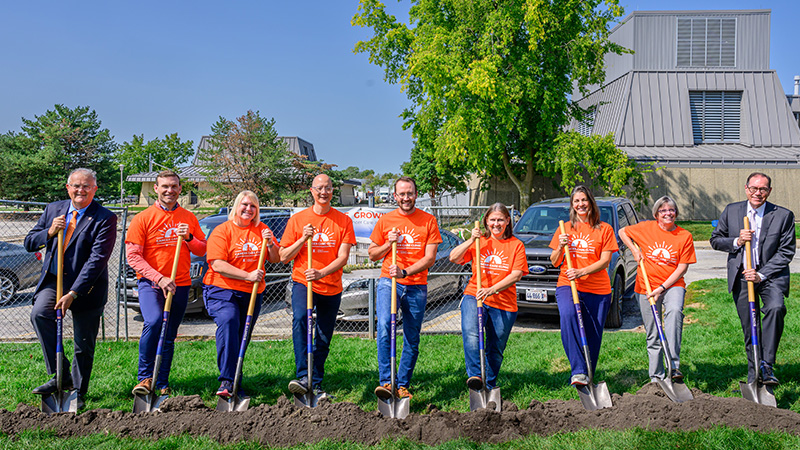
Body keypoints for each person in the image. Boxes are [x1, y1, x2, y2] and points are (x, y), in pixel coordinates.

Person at [25, 168, 117, 410]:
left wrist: (73, 293)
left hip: (87, 288)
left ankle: (78, 391)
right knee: (40, 314)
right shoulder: (53, 209)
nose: (81, 190)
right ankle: (61, 374)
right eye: (76, 185)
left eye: (86, 186)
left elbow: (97, 260)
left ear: (94, 189)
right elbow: (29, 242)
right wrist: (49, 232)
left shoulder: (105, 218)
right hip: (54, 281)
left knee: (83, 344)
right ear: (68, 188)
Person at [710, 172, 795, 386]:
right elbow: (716, 240)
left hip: (770, 276)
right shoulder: (732, 210)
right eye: (754, 188)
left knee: (776, 308)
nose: (758, 193)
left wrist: (760, 274)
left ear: (769, 191)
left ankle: (767, 364)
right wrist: (738, 240)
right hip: (742, 276)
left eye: (763, 189)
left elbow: (786, 252)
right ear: (747, 188)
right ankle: (754, 374)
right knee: (751, 326)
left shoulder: (783, 215)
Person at [126, 170, 206, 396]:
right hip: (151, 284)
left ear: (180, 189)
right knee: (153, 322)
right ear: (156, 189)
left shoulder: (188, 218)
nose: (169, 190)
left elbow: (202, 248)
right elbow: (133, 256)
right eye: (165, 187)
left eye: (174, 186)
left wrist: (189, 237)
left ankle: (161, 382)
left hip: (180, 284)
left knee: (169, 333)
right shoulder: (143, 218)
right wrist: (158, 277)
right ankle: (144, 378)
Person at [280, 174, 355, 398]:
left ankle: (316, 380)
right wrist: (302, 239)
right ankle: (303, 375)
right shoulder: (298, 220)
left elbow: (343, 257)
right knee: (301, 319)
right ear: (311, 191)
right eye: (319, 188)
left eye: (328, 188)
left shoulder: (343, 221)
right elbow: (284, 256)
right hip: (304, 283)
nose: (324, 192)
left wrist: (321, 272)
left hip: (330, 285)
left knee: (323, 334)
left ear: (333, 191)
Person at [370, 176, 442, 400]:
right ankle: (386, 382)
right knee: (384, 327)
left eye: (409, 193)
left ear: (416, 194)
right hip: (388, 282)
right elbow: (373, 255)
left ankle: (402, 384)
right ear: (395, 196)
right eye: (401, 194)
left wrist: (405, 272)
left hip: (416, 285)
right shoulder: (385, 220)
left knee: (412, 337)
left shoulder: (428, 220)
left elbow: (430, 258)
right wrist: (386, 243)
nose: (406, 197)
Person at [202, 191, 280, 398]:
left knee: (242, 335)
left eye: (253, 206)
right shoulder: (222, 231)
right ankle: (226, 381)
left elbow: (276, 258)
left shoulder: (262, 230)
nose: (248, 209)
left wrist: (270, 242)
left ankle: (236, 379)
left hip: (252, 292)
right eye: (244, 204)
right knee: (229, 321)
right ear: (236, 206)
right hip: (221, 289)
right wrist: (247, 275)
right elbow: (217, 264)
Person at [448, 203, 527, 391]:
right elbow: (453, 257)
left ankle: (489, 383)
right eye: (492, 220)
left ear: (508, 221)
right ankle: (476, 377)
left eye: (500, 219)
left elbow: (516, 274)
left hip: (504, 302)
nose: (496, 224)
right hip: (474, 295)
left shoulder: (516, 245)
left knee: (496, 349)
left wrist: (491, 289)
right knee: (472, 334)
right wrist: (470, 240)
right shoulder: (479, 242)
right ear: (486, 222)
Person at [619, 196, 696, 383]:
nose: (667, 213)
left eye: (671, 210)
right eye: (663, 211)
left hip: (672, 285)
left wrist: (662, 287)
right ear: (656, 214)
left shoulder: (684, 236)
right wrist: (634, 250)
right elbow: (622, 231)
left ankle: (673, 367)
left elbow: (682, 267)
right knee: (653, 331)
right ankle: (656, 377)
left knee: (675, 313)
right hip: (646, 287)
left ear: (676, 213)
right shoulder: (645, 228)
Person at [549, 186, 618, 386]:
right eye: (576, 201)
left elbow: (605, 261)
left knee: (593, 334)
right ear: (572, 205)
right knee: (569, 316)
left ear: (591, 202)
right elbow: (554, 261)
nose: (581, 204)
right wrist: (561, 246)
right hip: (568, 285)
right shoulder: (565, 229)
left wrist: (581, 271)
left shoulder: (604, 229)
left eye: (584, 200)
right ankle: (578, 371)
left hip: (598, 289)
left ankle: (588, 374)